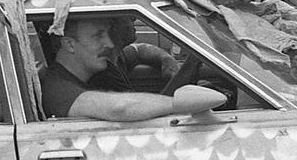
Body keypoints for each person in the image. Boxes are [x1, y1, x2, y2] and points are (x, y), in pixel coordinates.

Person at [41, 18, 223, 122]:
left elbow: (138, 51)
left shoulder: (96, 70)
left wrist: (166, 58)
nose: (109, 44)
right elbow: (120, 108)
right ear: (70, 45)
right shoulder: (56, 87)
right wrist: (181, 104)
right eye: (98, 36)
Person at [87, 17, 180, 92]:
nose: (134, 18)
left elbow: (139, 50)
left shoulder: (115, 55)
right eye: (126, 15)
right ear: (112, 26)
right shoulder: (104, 74)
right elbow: (137, 111)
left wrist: (166, 58)